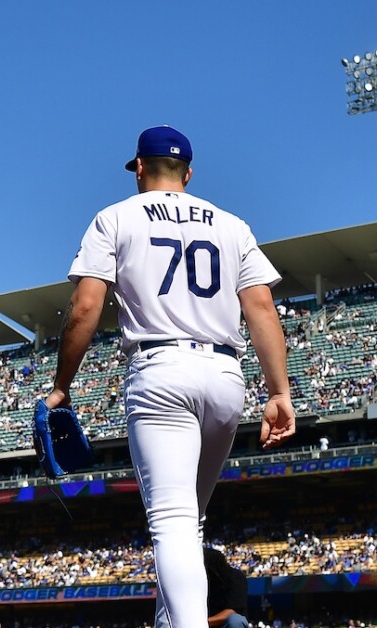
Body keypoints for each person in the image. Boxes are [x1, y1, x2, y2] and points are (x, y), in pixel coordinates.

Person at [44, 125, 295, 627]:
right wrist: (280, 391)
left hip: (161, 371)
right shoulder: (231, 223)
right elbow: (262, 306)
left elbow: (86, 306)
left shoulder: (114, 217)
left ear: (139, 167)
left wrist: (62, 385)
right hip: (225, 375)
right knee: (189, 522)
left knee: (173, 523)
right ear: (189, 173)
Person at [204, 546, 249, 628]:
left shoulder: (235, 577)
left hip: (225, 624)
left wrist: (202, 622)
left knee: (235, 621)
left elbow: (232, 611)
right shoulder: (199, 580)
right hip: (204, 623)